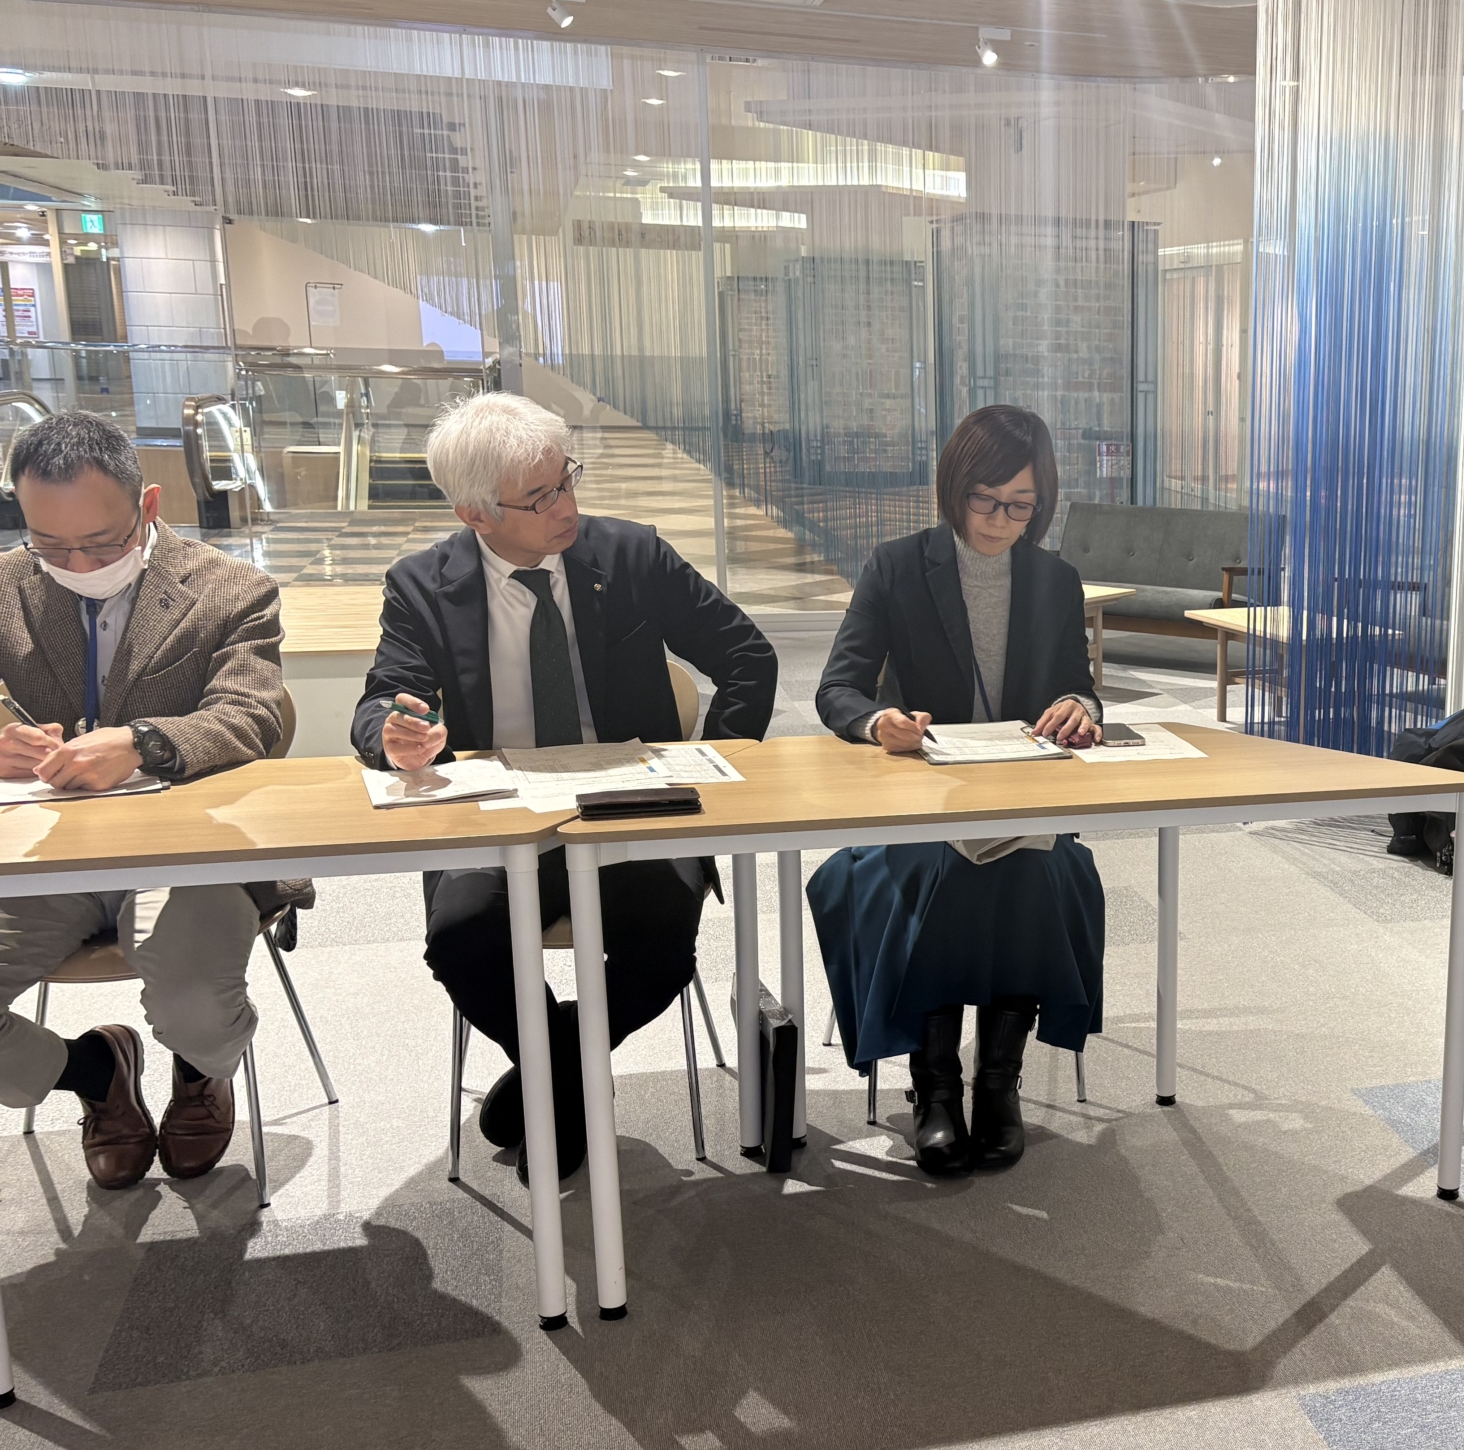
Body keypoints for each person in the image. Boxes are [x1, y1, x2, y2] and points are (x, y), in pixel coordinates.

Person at [354, 393, 776, 1179]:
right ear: (476, 514)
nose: (567, 507)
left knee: (662, 940)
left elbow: (748, 657)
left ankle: (549, 1080)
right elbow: (384, 698)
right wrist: (393, 732)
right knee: (461, 938)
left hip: (628, 806)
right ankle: (567, 1081)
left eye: (567, 480)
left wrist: (712, 771)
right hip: (498, 813)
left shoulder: (632, 556)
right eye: (540, 497)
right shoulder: (422, 585)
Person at [808, 405, 1104, 1177]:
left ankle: (997, 1085)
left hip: (1023, 803)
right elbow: (838, 688)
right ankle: (935, 1089)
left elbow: (1078, 682)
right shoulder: (897, 567)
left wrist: (1081, 706)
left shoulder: (1054, 581)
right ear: (955, 486)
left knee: (1039, 870)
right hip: (921, 804)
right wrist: (878, 722)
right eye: (986, 501)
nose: (1002, 521)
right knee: (936, 871)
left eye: (1021, 506)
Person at [0, 409, 289, 1188]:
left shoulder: (231, 589)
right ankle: (94, 1072)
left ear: (148, 506)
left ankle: (199, 1068)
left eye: (101, 543)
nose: (75, 563)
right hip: (43, 853)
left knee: (196, 1001)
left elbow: (251, 716)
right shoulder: (6, 584)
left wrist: (142, 742)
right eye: (49, 544)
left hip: (187, 848)